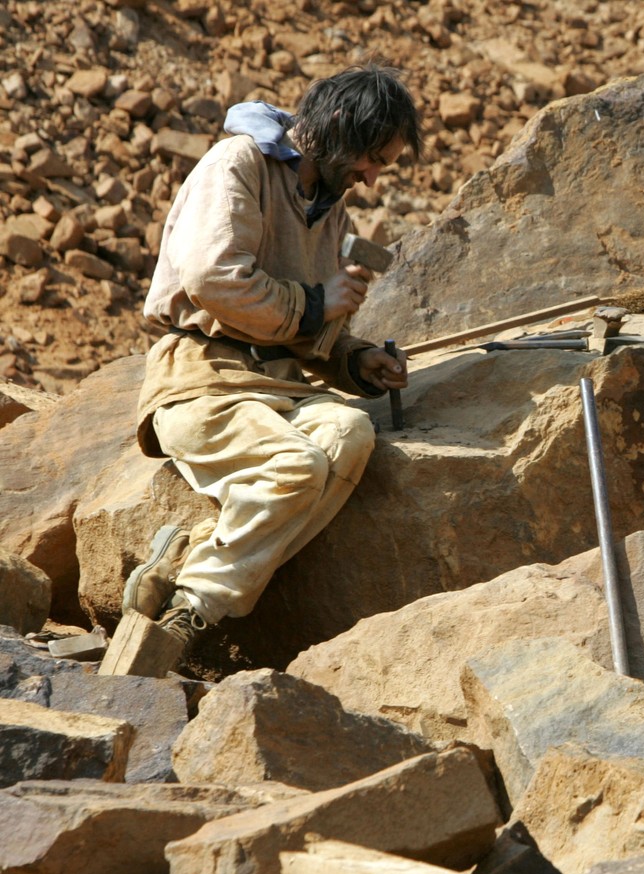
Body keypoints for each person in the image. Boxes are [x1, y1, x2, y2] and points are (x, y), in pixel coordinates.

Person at [119, 63, 421, 672]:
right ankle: (194, 607)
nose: (371, 176)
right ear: (338, 128)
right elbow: (212, 278)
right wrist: (314, 303)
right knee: (298, 464)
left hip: (278, 387)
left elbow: (308, 336)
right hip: (201, 379)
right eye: (372, 158)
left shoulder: (332, 214)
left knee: (350, 432)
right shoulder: (238, 164)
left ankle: (192, 558)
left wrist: (359, 360)